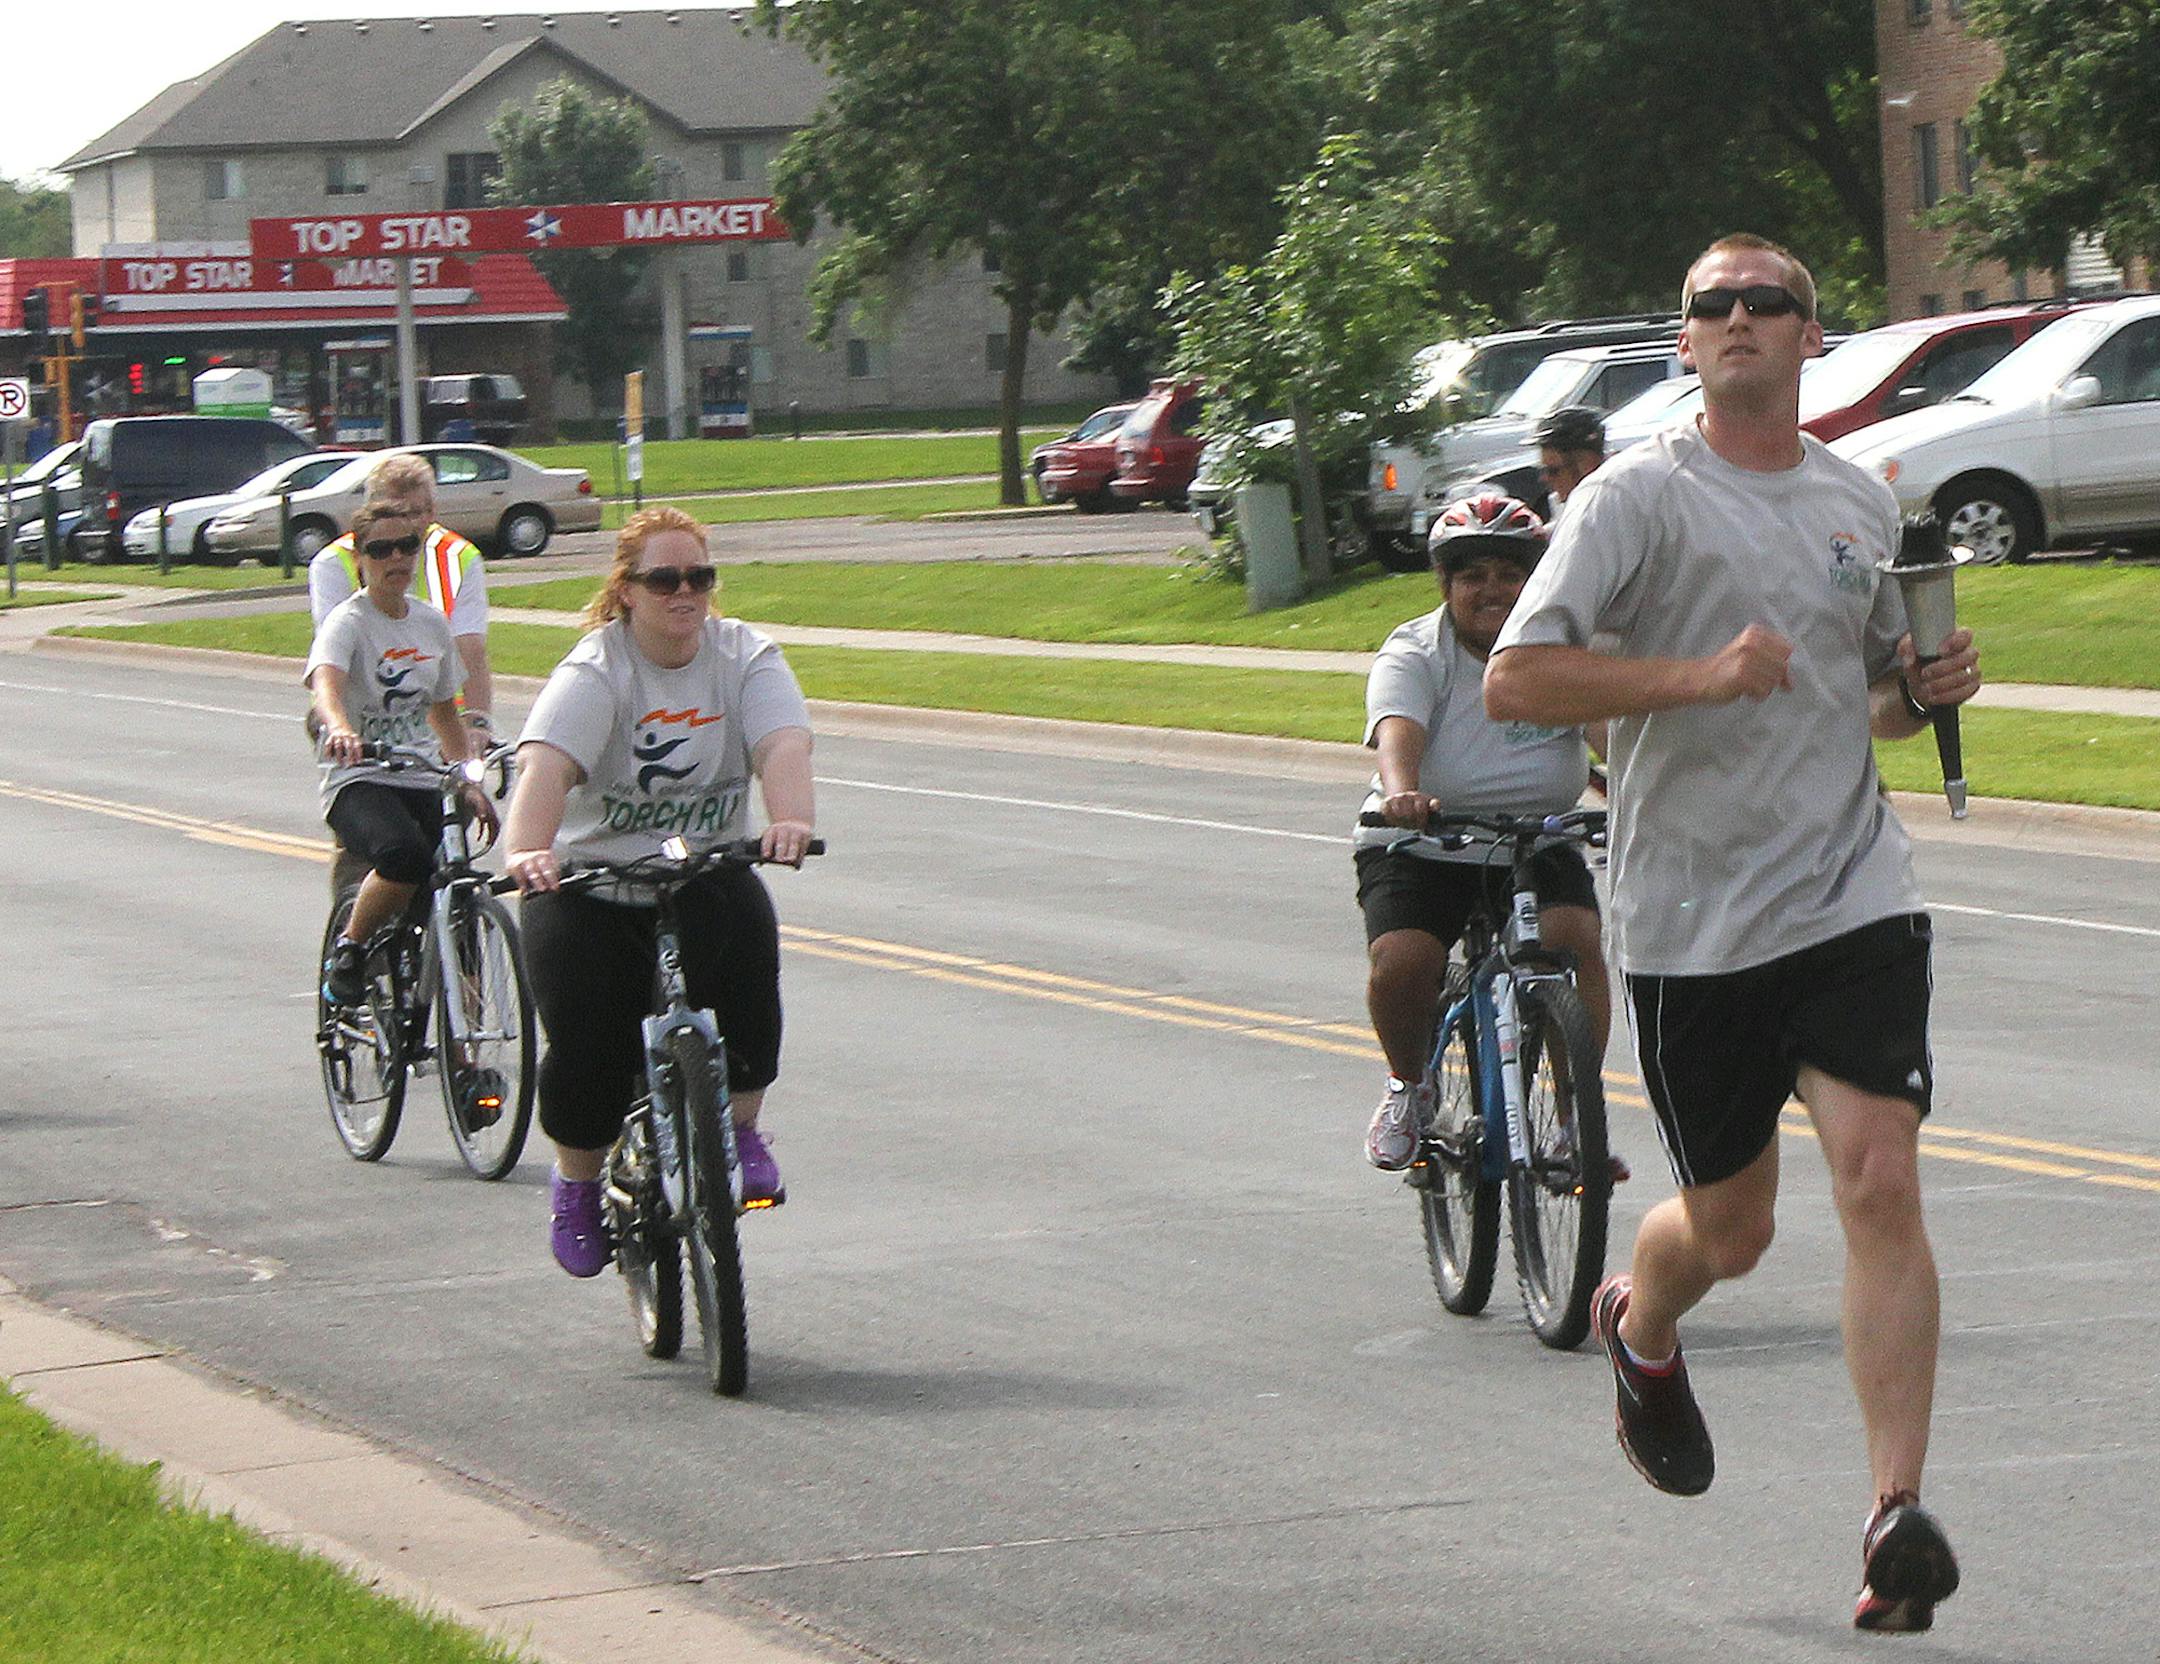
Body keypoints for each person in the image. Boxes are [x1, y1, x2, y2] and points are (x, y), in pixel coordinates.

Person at [1484, 233, 1982, 1633]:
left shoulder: (1857, 502)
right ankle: (1642, 1328)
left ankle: (1895, 1515)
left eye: (1774, 302)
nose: (1746, 318)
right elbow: (1519, 680)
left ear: (1814, 338)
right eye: (1718, 305)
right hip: (1693, 922)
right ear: (1687, 343)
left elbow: (1874, 706)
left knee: (1880, 1176)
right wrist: (1698, 676)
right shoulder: (1635, 501)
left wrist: (1927, 682)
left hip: (1849, 895)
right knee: (1735, 1229)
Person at [501, 507, 816, 1278]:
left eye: (699, 578)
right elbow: (545, 767)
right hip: (588, 881)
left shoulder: (745, 655)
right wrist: (527, 851)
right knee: (587, 1047)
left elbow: (782, 741)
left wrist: (791, 820)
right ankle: (577, 1187)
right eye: (665, 579)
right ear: (627, 590)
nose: (685, 593)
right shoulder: (597, 670)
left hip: (698, 868)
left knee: (749, 953)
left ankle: (739, 1130)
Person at [1356, 491, 1614, 1175]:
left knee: (1577, 940)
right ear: (1446, 584)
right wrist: (1403, 792)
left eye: (1509, 573)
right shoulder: (1417, 650)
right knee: (1404, 961)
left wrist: (1637, 779)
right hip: (1425, 841)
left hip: (1539, 838)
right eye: (1472, 575)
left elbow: (1607, 733)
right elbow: (1396, 729)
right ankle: (1408, 1088)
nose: (1492, 589)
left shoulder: (1557, 651)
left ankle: (1571, 1119)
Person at [307, 501, 493, 1006]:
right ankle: (351, 948)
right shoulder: (349, 622)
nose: (396, 559)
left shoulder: (431, 624)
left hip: (421, 775)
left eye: (407, 546)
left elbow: (444, 715)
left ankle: (467, 1049)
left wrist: (468, 782)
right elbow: (325, 688)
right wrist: (342, 729)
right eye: (381, 549)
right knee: (404, 856)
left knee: (458, 888)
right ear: (361, 559)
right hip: (360, 777)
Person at [311, 453, 495, 742]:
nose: (409, 523)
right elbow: (332, 660)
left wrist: (479, 722)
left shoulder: (459, 557)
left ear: (433, 511)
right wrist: (338, 727)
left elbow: (470, 648)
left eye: (418, 512)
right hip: (365, 724)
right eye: (397, 512)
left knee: (471, 784)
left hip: (441, 720)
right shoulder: (334, 561)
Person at [1534, 405, 1607, 521]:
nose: (1544, 478)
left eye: (1553, 471)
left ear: (1587, 465)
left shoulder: (1612, 508)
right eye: (1542, 470)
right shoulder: (1559, 504)